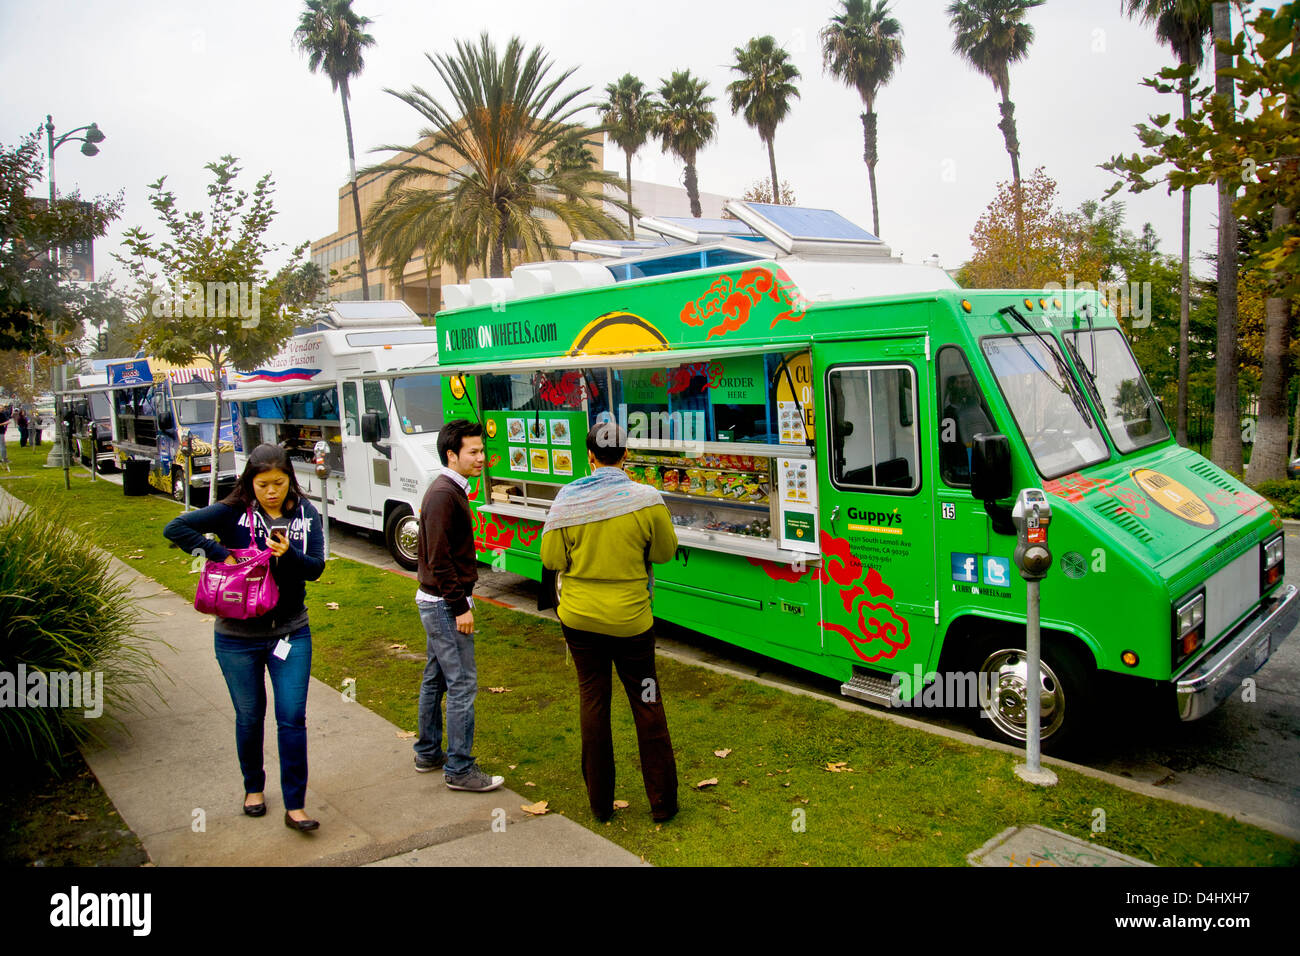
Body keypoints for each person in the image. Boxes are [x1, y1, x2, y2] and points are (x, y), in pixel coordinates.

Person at [163, 443, 326, 831]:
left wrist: (287, 555)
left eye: (280, 483)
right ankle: (253, 788)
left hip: (290, 632)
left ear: (291, 480)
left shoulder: (305, 513)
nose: (272, 491)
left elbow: (316, 569)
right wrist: (218, 552)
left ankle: (295, 805)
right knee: (250, 716)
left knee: (292, 718)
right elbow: (176, 527)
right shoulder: (233, 511)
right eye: (263, 483)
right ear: (250, 482)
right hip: (237, 637)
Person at [540, 422, 680, 823]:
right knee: (647, 702)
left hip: (581, 622)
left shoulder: (567, 500)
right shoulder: (647, 499)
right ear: (625, 455)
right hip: (632, 621)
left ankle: (600, 806)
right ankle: (662, 805)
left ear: (589, 456)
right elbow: (666, 552)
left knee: (593, 701)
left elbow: (552, 559)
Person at [413, 419, 503, 792]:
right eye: (474, 452)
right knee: (463, 684)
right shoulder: (443, 495)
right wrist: (460, 606)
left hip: (438, 602)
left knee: (436, 678)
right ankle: (460, 768)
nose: (481, 458)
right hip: (444, 605)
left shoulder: (452, 491)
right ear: (452, 455)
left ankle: (428, 751)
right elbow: (439, 558)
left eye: (482, 451)